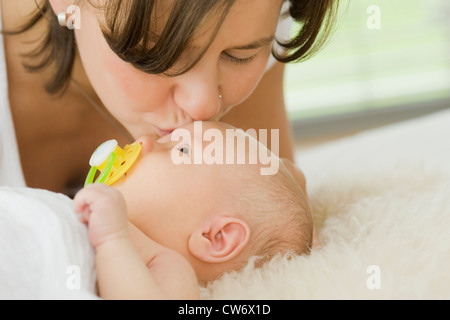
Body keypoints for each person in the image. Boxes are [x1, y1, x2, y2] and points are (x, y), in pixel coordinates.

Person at [0, 0, 339, 196]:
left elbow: (269, 224)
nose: (204, 105)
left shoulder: (255, 20)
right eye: (160, 55)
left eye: (238, 55)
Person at [73, 121, 313, 299]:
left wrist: (111, 239)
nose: (143, 141)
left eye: (181, 150)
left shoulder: (167, 267)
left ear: (215, 237)